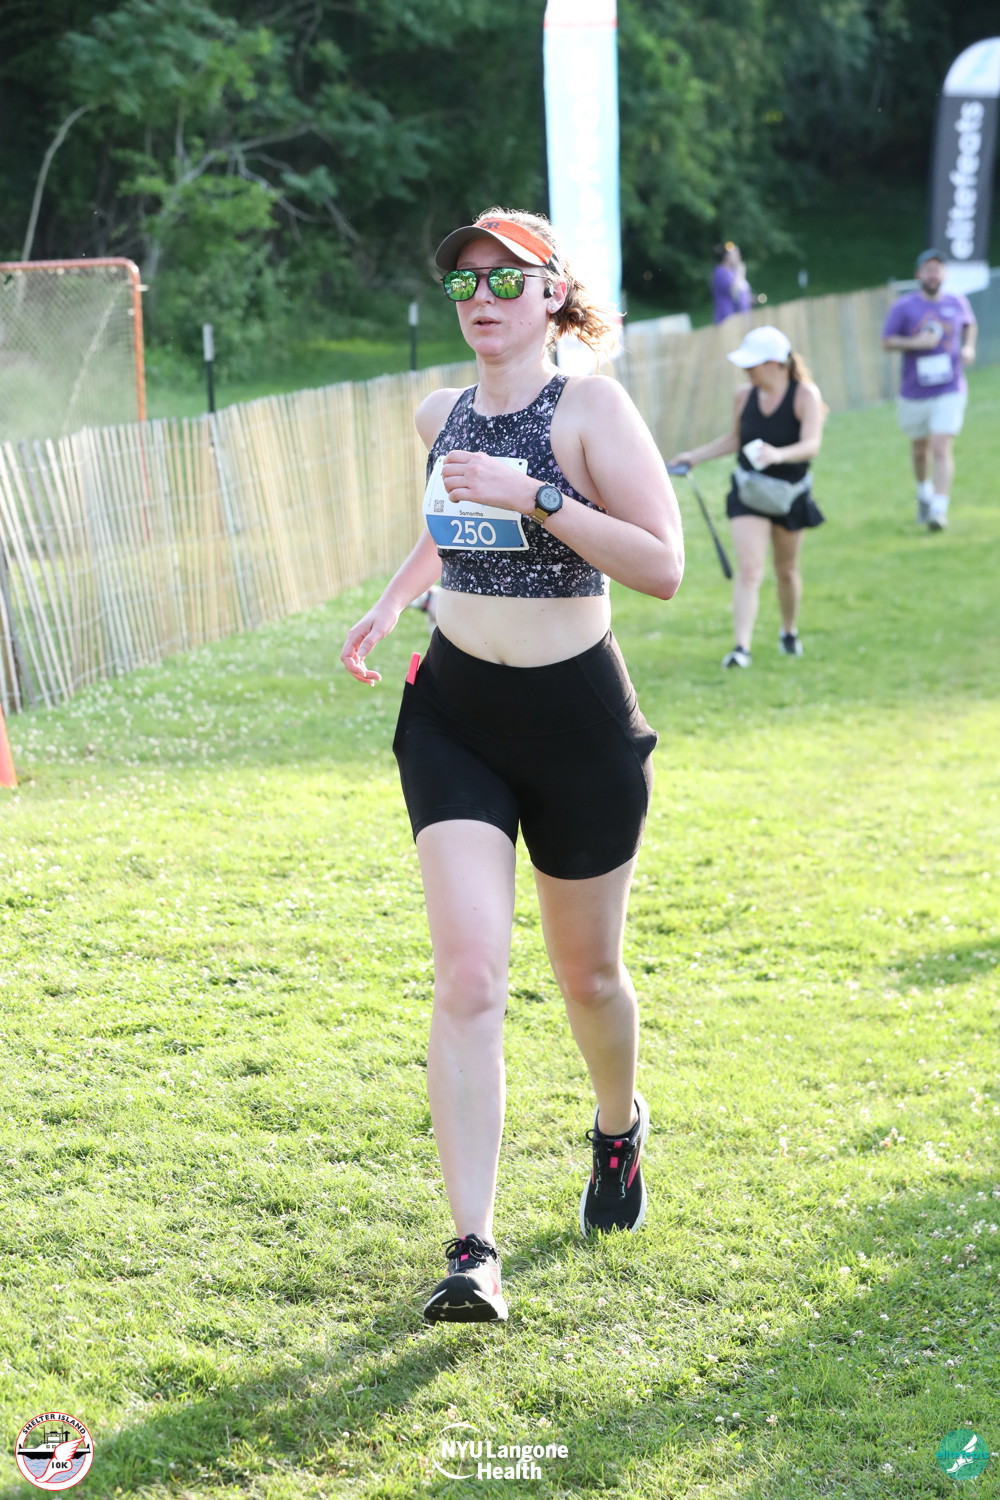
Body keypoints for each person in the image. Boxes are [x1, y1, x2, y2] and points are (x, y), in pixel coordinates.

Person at [340, 209, 684, 1324]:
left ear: (552, 294)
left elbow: (663, 565)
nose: (481, 297)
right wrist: (393, 600)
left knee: (589, 980)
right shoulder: (438, 413)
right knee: (469, 976)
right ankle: (472, 1249)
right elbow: (451, 520)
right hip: (456, 717)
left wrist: (538, 495)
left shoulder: (590, 410)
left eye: (506, 278)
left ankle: (618, 1128)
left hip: (576, 723)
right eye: (464, 282)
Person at [669, 324, 826, 668]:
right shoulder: (744, 396)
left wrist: (778, 454)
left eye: (752, 364)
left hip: (789, 495)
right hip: (749, 492)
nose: (746, 370)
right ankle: (741, 648)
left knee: (786, 570)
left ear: (775, 363)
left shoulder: (804, 395)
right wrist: (693, 457)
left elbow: (812, 444)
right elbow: (735, 439)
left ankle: (788, 632)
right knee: (750, 569)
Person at [882, 249, 977, 531]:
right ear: (918, 274)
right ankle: (923, 492)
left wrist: (969, 347)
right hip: (914, 391)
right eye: (928, 270)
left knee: (940, 446)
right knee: (919, 450)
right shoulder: (904, 306)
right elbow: (887, 341)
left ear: (944, 274)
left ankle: (938, 509)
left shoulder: (956, 302)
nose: (933, 275)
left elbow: (970, 324)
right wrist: (916, 343)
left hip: (950, 387)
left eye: (938, 269)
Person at [711, 242, 752, 324]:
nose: (739, 257)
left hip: (739, 318)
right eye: (736, 255)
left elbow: (737, 296)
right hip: (727, 318)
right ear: (727, 256)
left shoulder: (732, 272)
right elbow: (733, 290)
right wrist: (740, 272)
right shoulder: (721, 272)